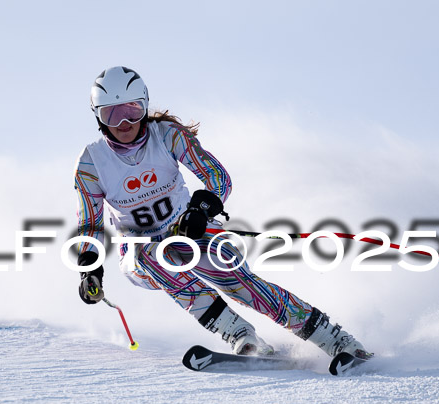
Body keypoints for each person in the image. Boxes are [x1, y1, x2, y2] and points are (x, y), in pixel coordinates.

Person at [73, 66, 370, 360]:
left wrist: (200, 211)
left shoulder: (167, 136)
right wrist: (90, 269)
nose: (124, 122)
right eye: (111, 114)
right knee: (149, 257)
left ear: (145, 107)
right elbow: (90, 223)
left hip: (186, 227)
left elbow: (217, 177)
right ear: (98, 117)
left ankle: (334, 338)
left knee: (238, 282)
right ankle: (239, 334)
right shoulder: (91, 163)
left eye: (132, 111)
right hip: (138, 247)